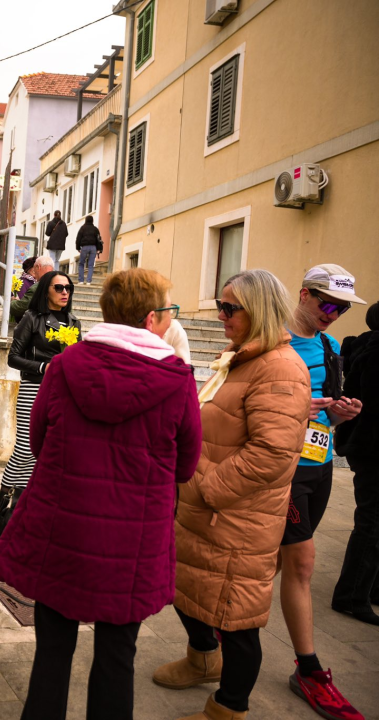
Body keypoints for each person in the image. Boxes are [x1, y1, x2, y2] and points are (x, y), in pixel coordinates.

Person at [0, 268, 202, 720]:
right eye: (168, 311)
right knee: (117, 658)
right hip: (132, 541)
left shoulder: (66, 366)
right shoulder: (177, 379)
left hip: (63, 529)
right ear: (150, 319)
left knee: (52, 652)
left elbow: (38, 442)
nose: (171, 319)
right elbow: (185, 467)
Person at [154, 269, 311, 720]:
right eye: (220, 306)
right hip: (205, 511)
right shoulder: (242, 357)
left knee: (235, 618)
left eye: (229, 308)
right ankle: (203, 659)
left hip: (235, 519)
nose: (220, 315)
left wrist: (207, 488)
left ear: (258, 310)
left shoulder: (280, 369)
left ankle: (228, 708)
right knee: (188, 592)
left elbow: (272, 453)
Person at [278, 264, 366, 720]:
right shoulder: (274, 340)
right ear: (303, 295)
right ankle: (309, 670)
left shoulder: (332, 347)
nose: (333, 315)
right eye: (327, 304)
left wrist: (339, 414)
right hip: (285, 469)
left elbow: (324, 414)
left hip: (322, 464)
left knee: (276, 561)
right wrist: (295, 410)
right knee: (303, 562)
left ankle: (217, 625)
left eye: (342, 309)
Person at [0, 272, 80, 509]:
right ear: (46, 291)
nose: (65, 292)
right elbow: (13, 357)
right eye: (59, 288)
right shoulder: (31, 318)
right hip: (34, 387)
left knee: (45, 450)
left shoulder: (74, 321)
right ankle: (2, 504)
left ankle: (21, 505)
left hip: (61, 393)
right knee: (25, 448)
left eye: (68, 288)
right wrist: (44, 367)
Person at [332, 302, 379, 623]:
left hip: (367, 446)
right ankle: (351, 596)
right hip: (372, 448)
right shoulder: (375, 353)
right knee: (371, 523)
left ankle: (370, 588)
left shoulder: (366, 347)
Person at [10, 255, 54, 324]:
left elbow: (21, 308)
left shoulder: (38, 286)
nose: (34, 272)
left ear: (38, 267)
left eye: (34, 268)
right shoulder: (57, 281)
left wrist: (12, 302)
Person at [75, 215, 101, 285]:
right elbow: (99, 239)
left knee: (81, 264)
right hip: (93, 248)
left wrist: (78, 248)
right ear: (92, 221)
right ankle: (88, 281)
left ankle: (81, 281)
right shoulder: (95, 229)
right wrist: (99, 248)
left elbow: (78, 238)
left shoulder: (82, 228)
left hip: (84, 247)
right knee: (91, 265)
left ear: (85, 220)